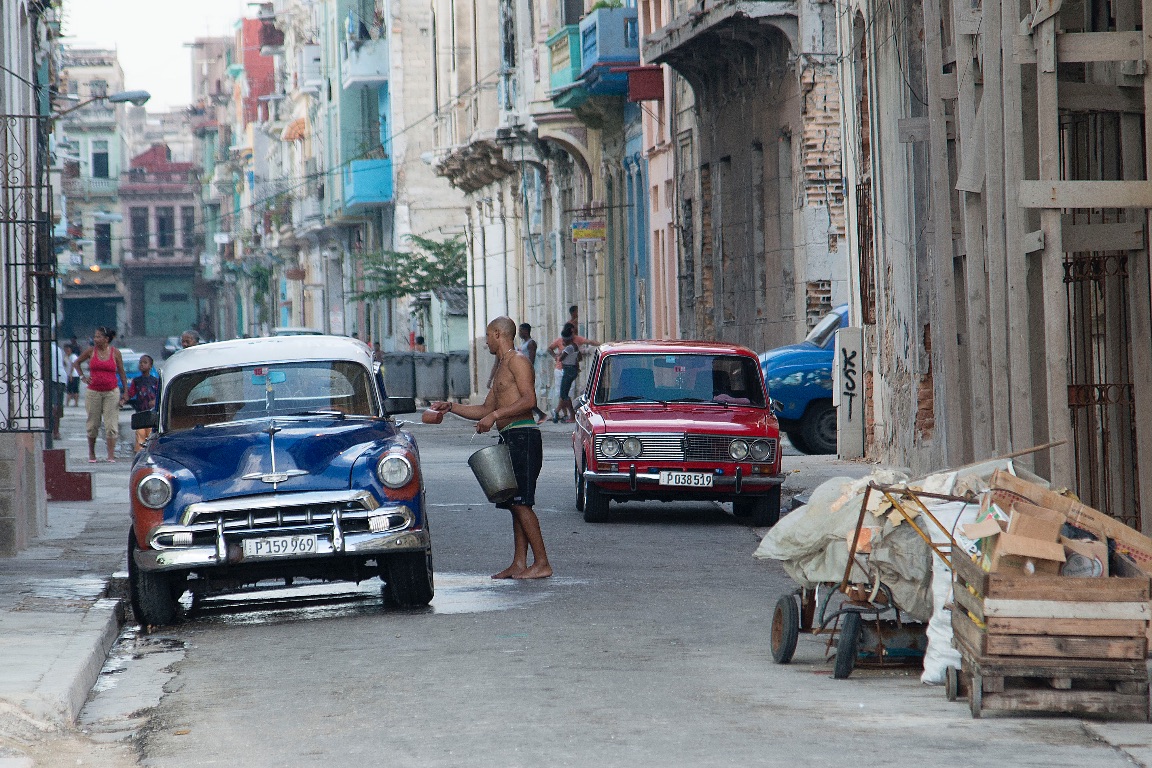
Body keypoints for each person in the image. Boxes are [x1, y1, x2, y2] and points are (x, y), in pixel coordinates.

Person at [429, 316, 552, 580]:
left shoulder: (518, 360)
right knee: (513, 503)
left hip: (524, 437)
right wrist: (450, 407)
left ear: (498, 333)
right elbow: (484, 409)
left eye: (487, 336)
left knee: (522, 503)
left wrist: (495, 417)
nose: (485, 341)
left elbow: (529, 400)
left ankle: (542, 562)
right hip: (508, 437)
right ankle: (519, 563)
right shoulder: (502, 366)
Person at [72, 326, 127, 463]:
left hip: (111, 392)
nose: (95, 339)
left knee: (111, 425)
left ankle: (110, 454)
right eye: (95, 336)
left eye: (98, 337)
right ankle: (92, 453)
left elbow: (121, 372)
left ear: (106, 339)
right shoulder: (91, 351)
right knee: (93, 424)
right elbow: (76, 363)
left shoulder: (115, 353)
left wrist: (125, 391)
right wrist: (83, 377)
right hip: (93, 392)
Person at [545, 321, 599, 422]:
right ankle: (565, 413)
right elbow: (579, 358)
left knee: (564, 394)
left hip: (567, 370)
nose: (563, 342)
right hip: (572, 370)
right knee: (565, 393)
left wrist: (559, 354)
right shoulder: (575, 346)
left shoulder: (568, 348)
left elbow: (561, 359)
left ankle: (569, 415)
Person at [121, 354, 160, 452]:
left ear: (150, 366)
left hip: (152, 414)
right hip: (140, 413)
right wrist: (123, 400)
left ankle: (151, 453)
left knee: (151, 434)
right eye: (140, 363)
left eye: (145, 363)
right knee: (140, 434)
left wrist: (155, 400)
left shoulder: (155, 381)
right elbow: (131, 393)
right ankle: (140, 453)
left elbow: (160, 394)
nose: (142, 365)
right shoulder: (136, 381)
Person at [517, 323, 548, 424]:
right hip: (522, 371)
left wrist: (527, 372)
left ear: (526, 331)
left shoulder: (531, 343)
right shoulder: (523, 343)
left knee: (526, 395)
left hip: (527, 372)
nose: (519, 333)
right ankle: (533, 415)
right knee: (522, 395)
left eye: (521, 330)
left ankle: (540, 414)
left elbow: (531, 359)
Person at [50, 341, 70, 440]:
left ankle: (52, 431)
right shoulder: (57, 348)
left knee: (53, 406)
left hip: (53, 378)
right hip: (61, 377)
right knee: (58, 406)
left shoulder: (46, 348)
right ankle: (56, 431)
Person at [65, 343, 81, 407]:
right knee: (69, 389)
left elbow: (73, 365)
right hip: (69, 374)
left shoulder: (73, 356)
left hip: (74, 375)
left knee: (75, 389)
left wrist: (71, 375)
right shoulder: (67, 356)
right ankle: (67, 403)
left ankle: (76, 403)